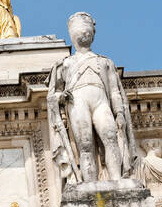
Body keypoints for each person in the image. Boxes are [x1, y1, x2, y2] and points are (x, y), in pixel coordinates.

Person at [47, 12, 138, 184]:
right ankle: (90, 184)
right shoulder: (64, 64)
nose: (85, 34)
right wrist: (61, 97)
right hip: (77, 103)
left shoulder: (105, 62)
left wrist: (119, 113)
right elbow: (52, 95)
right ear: (73, 35)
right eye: (81, 31)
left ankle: (116, 180)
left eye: (88, 31)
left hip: (101, 102)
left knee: (111, 137)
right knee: (85, 144)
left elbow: (114, 92)